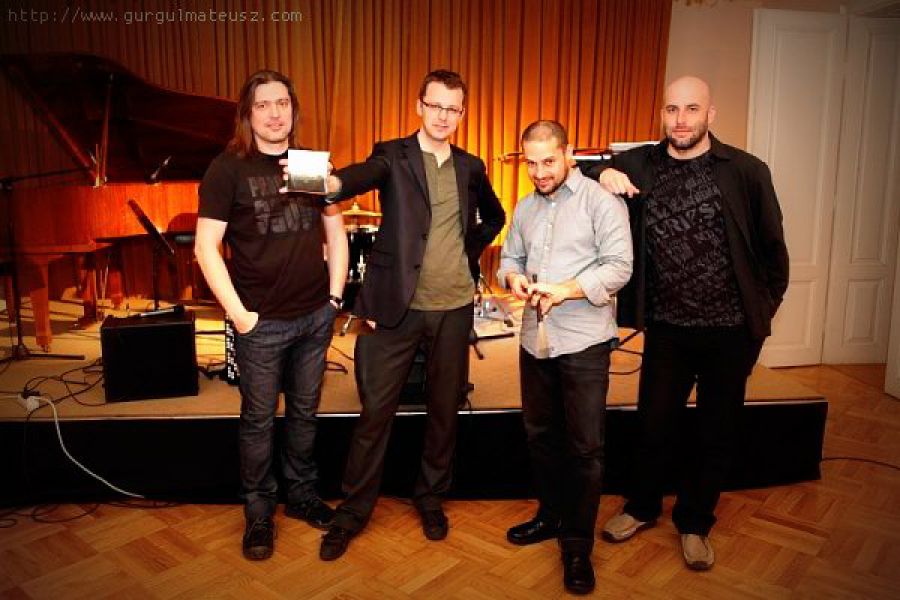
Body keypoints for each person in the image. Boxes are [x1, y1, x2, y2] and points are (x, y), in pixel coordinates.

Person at [589, 76, 789, 570]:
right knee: (653, 425)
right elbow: (582, 168)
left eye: (692, 109)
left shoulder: (746, 170)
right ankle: (642, 507)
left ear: (710, 115)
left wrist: (760, 314)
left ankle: (696, 521)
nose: (681, 120)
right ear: (663, 113)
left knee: (716, 432)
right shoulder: (643, 162)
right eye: (672, 109)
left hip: (730, 332)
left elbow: (773, 253)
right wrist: (605, 171)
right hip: (668, 329)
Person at [316, 69, 505, 561]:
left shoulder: (470, 166)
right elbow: (363, 173)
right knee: (375, 413)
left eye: (452, 109)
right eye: (435, 105)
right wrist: (332, 183)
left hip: (454, 308)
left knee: (444, 410)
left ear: (462, 114)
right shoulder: (393, 154)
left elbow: (496, 216)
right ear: (419, 105)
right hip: (395, 308)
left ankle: (430, 496)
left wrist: (468, 251)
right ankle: (352, 511)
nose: (442, 116)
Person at [194, 70, 349, 561]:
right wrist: (240, 315)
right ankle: (259, 511)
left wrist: (334, 299)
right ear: (248, 113)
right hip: (261, 324)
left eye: (282, 103)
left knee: (304, 413)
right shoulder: (227, 169)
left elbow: (336, 231)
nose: (275, 113)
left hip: (314, 317)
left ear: (293, 109)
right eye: (263, 105)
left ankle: (301, 495)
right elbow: (205, 247)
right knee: (258, 421)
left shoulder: (308, 164)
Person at [498, 120, 632, 595]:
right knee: (540, 435)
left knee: (585, 448)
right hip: (535, 340)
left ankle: (577, 546)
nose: (539, 173)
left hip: (585, 343)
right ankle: (551, 515)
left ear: (569, 153)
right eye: (532, 163)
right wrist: (513, 278)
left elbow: (620, 267)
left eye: (549, 162)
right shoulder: (525, 206)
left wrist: (566, 290)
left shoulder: (601, 201)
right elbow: (509, 259)